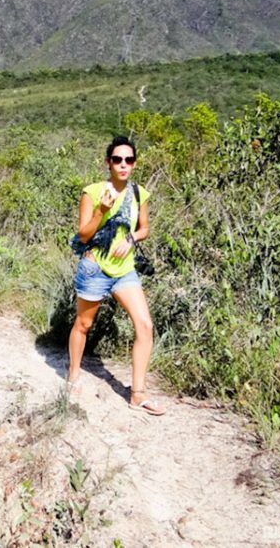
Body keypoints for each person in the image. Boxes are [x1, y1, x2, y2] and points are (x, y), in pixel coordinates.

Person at [67, 135, 165, 415]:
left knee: (144, 325)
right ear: (108, 162)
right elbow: (84, 233)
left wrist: (132, 239)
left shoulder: (139, 194)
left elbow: (145, 228)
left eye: (129, 159)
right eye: (118, 159)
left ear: (134, 164)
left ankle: (138, 394)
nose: (123, 164)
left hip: (125, 271)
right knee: (84, 325)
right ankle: (73, 376)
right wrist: (103, 210)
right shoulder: (93, 192)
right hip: (94, 267)